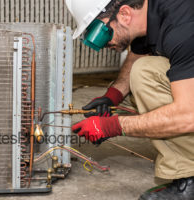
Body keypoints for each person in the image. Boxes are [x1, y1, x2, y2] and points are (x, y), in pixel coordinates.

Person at [65, 0, 194, 199]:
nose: (103, 45)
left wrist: (112, 126)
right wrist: (111, 97)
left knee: (147, 74)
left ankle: (190, 181)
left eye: (99, 33)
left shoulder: (183, 29)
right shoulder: (151, 15)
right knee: (142, 72)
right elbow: (136, 56)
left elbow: (188, 115)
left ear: (125, 14)